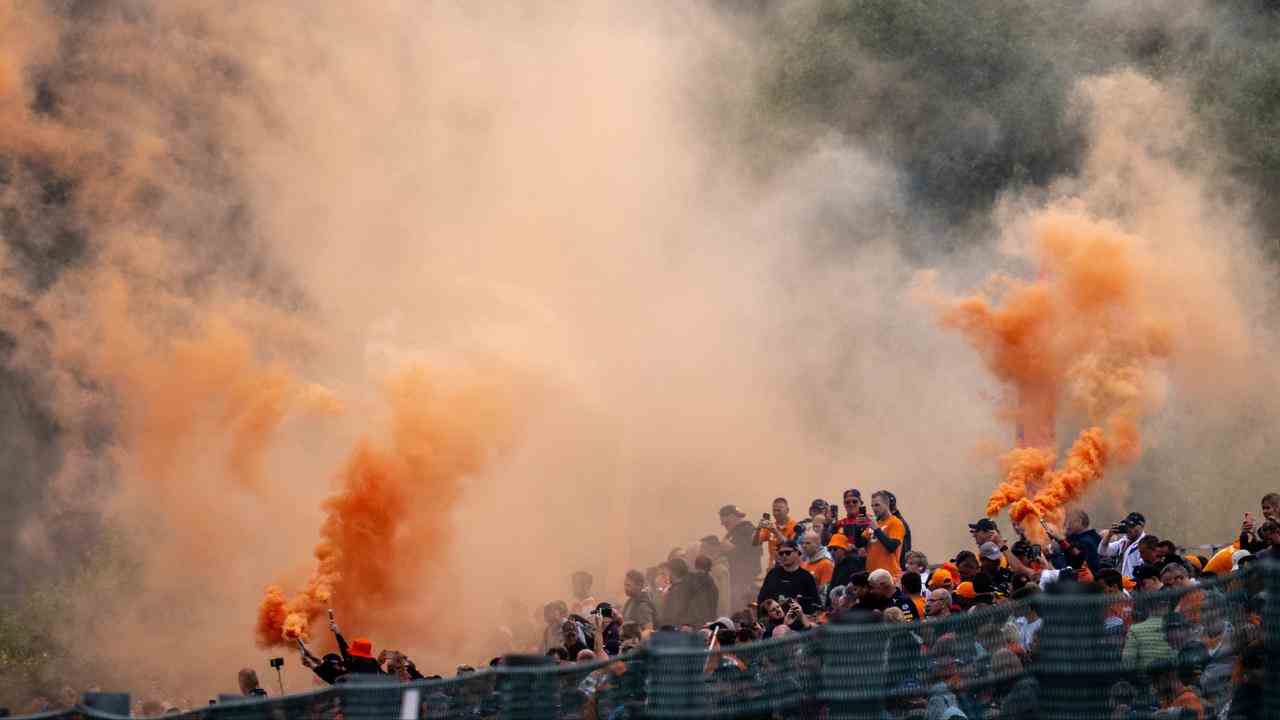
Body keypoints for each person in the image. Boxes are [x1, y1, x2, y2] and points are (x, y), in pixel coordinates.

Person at [757, 540, 821, 614]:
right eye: (781, 553)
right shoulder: (772, 574)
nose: (784, 555)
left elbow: (816, 604)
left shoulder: (806, 577)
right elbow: (761, 600)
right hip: (774, 622)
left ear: (797, 553)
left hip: (798, 621)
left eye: (788, 553)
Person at [718, 505, 763, 610]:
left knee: (741, 608)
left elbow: (756, 551)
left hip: (744, 580)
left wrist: (733, 550)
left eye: (725, 521)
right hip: (734, 579)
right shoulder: (732, 534)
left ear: (733, 517)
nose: (723, 525)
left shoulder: (748, 530)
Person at [1044, 509, 1102, 576]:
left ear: (1079, 521)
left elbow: (1076, 557)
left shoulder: (1087, 541)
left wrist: (1058, 543)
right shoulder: (1091, 537)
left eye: (1069, 522)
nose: (1067, 526)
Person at [864, 490, 906, 579]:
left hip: (889, 574)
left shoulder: (895, 522)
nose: (874, 508)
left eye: (877, 505)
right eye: (872, 506)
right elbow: (859, 543)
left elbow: (891, 547)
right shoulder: (874, 522)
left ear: (886, 505)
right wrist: (860, 526)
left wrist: (876, 529)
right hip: (872, 574)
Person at [1098, 512, 1147, 579]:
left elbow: (1142, 570)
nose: (1128, 529)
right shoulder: (1124, 541)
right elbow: (1102, 551)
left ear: (1140, 527)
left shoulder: (1145, 544)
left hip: (1133, 585)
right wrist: (1109, 535)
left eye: (1131, 526)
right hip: (1121, 584)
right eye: (1127, 525)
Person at [754, 497, 799, 566]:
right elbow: (755, 543)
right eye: (774, 510)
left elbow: (790, 546)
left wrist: (775, 531)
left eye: (779, 510)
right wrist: (758, 529)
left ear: (787, 510)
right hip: (772, 567)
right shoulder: (770, 526)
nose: (775, 513)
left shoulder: (795, 527)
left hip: (788, 567)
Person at [699, 536, 733, 617]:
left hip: (714, 616)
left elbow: (723, 598)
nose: (701, 551)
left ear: (713, 549)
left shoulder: (720, 570)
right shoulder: (710, 568)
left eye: (703, 548)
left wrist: (720, 617)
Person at [687, 557, 720, 626]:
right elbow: (714, 603)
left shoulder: (688, 580)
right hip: (706, 619)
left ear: (696, 566)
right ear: (709, 569)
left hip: (691, 619)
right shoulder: (711, 582)